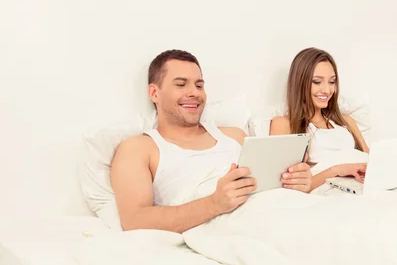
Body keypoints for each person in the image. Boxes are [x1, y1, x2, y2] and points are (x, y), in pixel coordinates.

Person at [111, 49, 313, 233]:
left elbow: (269, 187)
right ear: (154, 93)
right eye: (181, 84)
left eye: (199, 85)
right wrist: (214, 204)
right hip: (236, 228)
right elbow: (134, 220)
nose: (195, 92)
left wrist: (298, 182)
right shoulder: (139, 148)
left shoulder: (235, 136)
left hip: (284, 212)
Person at [270, 47, 369, 192]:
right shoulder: (284, 124)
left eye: (332, 82)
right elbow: (282, 185)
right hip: (327, 194)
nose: (327, 90)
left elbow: (371, 161)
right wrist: (337, 170)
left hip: (360, 188)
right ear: (300, 83)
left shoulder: (347, 122)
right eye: (317, 82)